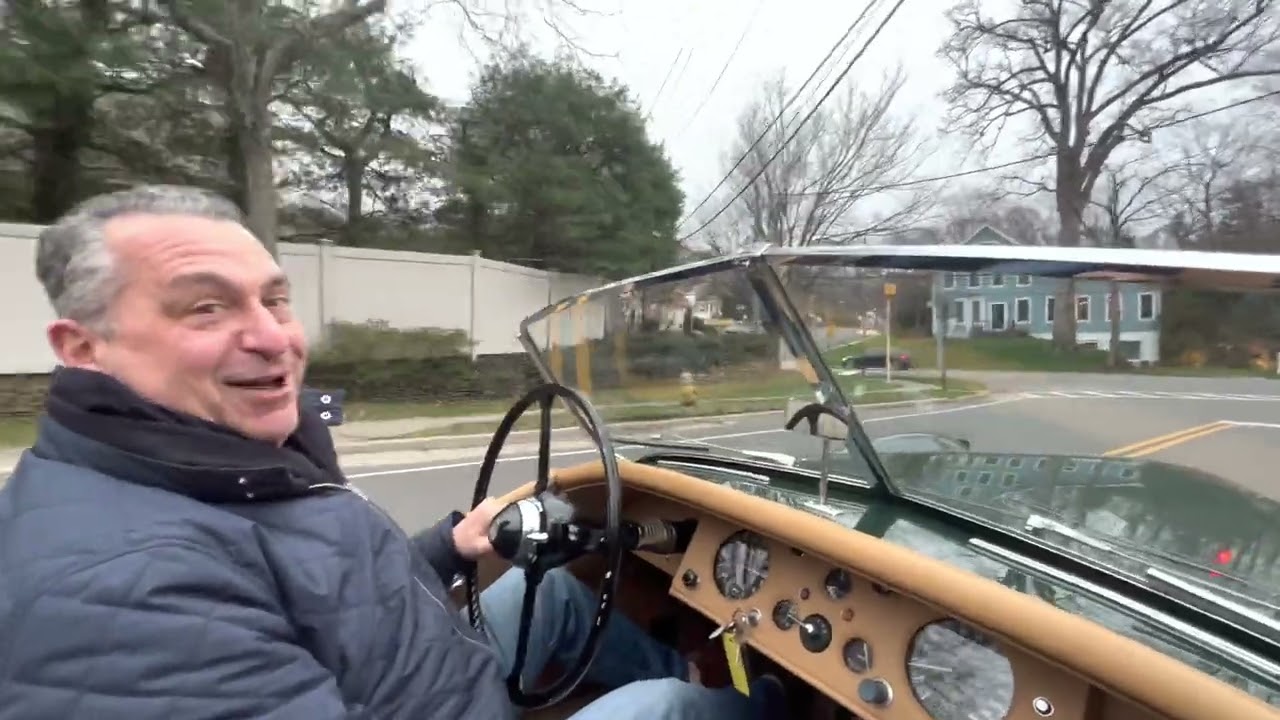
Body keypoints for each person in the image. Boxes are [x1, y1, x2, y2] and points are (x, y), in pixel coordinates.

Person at [0, 185, 787, 719]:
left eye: (274, 298)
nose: (273, 336)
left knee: (559, 596)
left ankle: (705, 674)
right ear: (83, 349)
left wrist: (446, 548)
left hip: (418, 675)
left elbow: (310, 585)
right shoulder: (119, 599)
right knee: (670, 711)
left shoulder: (219, 464)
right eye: (206, 308)